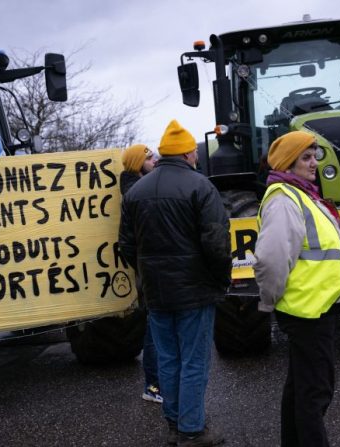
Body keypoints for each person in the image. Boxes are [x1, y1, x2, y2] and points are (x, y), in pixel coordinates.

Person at [119, 120, 231, 447]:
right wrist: (220, 279)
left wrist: (145, 274)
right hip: (194, 290)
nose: (196, 156)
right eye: (194, 151)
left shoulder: (136, 191)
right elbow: (216, 243)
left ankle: (175, 424)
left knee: (168, 360)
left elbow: (125, 245)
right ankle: (193, 430)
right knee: (194, 360)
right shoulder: (200, 186)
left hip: (155, 293)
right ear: (186, 153)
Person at [253, 131, 340, 447]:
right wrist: (269, 300)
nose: (314, 162)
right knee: (315, 392)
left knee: (300, 388)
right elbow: (272, 261)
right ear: (289, 162)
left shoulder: (300, 195)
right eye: (306, 157)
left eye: (315, 155)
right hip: (309, 312)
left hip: (314, 308)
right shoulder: (284, 200)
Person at [119, 143, 161, 404]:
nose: (155, 160)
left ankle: (156, 384)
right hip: (148, 269)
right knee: (154, 328)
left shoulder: (136, 188)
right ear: (137, 162)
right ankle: (153, 386)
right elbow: (128, 241)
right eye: (149, 157)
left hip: (147, 267)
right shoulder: (136, 192)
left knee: (156, 326)